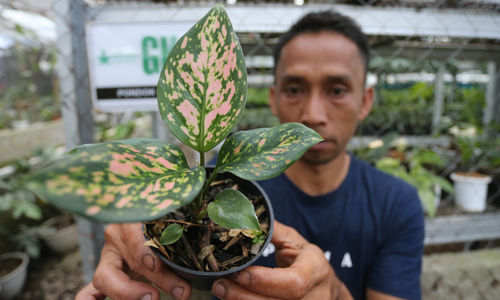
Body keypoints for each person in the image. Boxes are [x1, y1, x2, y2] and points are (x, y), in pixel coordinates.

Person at [76, 10, 424, 300]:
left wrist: (334, 292)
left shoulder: (396, 204)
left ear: (365, 101)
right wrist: (135, 242)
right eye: (294, 89)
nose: (314, 112)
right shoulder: (214, 180)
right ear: (272, 98)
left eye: (336, 89)